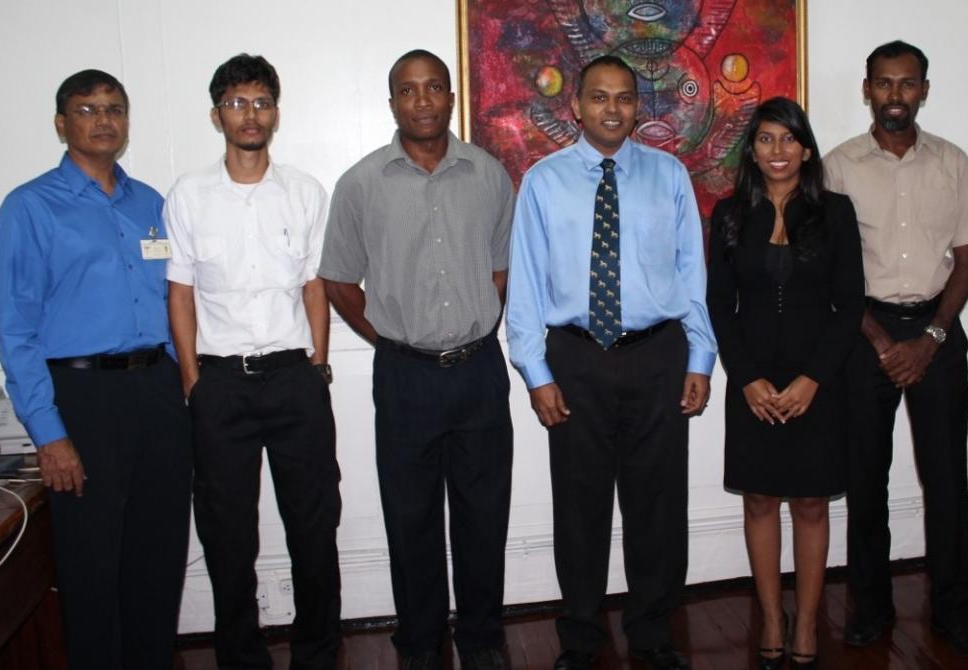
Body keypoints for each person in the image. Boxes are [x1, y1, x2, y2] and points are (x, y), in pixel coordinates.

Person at [505, 55, 717, 670]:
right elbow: (525, 287)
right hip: (574, 358)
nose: (613, 109)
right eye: (599, 97)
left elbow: (691, 275)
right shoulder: (543, 182)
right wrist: (536, 372)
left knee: (657, 505)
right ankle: (580, 639)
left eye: (625, 98)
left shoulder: (669, 175)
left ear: (638, 106)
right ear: (577, 105)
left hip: (657, 355)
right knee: (580, 507)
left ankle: (652, 634)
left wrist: (700, 357)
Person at [318, 49, 514, 670]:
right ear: (393, 102)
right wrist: (388, 340)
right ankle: (421, 643)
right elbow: (339, 281)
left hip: (480, 372)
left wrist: (472, 325)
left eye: (434, 88)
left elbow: (503, 269)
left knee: (484, 518)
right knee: (411, 518)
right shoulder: (360, 183)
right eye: (409, 90)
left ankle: (482, 639)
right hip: (404, 378)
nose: (423, 100)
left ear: (451, 98)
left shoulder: (489, 175)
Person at [0, 69, 192, 668]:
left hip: (156, 391)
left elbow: (174, 302)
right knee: (90, 564)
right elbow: (16, 330)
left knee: (158, 555)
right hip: (82, 398)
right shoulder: (29, 208)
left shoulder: (151, 203)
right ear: (61, 123)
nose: (103, 120)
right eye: (87, 109)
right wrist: (49, 434)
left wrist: (185, 388)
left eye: (114, 109)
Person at [165, 53, 341, 668]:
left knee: (314, 525)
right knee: (227, 534)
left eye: (261, 102)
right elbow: (180, 292)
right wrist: (192, 380)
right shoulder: (189, 195)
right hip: (221, 386)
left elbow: (314, 285)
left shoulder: (304, 192)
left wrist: (317, 367)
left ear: (276, 112)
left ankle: (318, 651)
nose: (250, 114)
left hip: (295, 380)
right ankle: (241, 655)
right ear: (217, 116)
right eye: (237, 103)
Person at [823, 40, 968, 659]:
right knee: (866, 479)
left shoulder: (953, 162)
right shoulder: (838, 166)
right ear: (867, 89)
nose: (896, 95)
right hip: (862, 337)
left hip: (938, 333)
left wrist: (931, 338)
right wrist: (878, 340)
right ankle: (870, 608)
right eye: (884, 84)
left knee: (948, 480)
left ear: (924, 89)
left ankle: (953, 611)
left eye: (908, 84)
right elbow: (830, 269)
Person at [707, 97, 864, 669]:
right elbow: (719, 306)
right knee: (758, 499)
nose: (778, 150)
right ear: (753, 149)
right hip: (751, 382)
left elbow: (849, 306)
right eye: (767, 139)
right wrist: (746, 379)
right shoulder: (727, 214)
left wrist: (812, 379)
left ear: (806, 148)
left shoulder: (837, 212)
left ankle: (807, 621)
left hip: (816, 384)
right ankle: (772, 616)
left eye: (789, 139)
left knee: (812, 504)